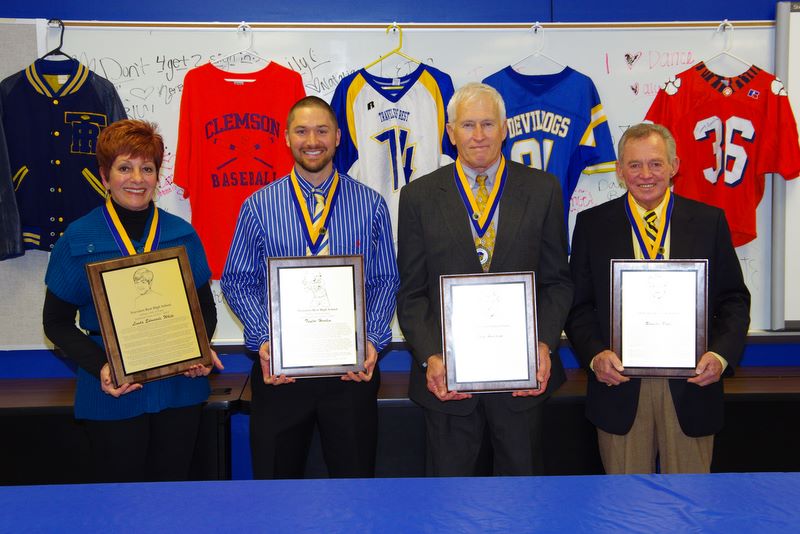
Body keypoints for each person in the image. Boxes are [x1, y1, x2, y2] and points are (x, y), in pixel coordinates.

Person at [396, 82, 573, 476]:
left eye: (488, 124)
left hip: (521, 383)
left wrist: (543, 344)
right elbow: (411, 293)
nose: (479, 135)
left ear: (505, 128)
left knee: (522, 498)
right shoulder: (418, 197)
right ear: (450, 131)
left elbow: (557, 282)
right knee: (452, 500)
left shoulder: (542, 189)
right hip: (448, 385)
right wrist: (431, 356)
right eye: (468, 125)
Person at [221, 96, 399, 479]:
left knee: (354, 485)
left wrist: (371, 341)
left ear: (337, 137)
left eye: (322, 130)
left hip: (350, 375)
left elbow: (384, 279)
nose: (312, 141)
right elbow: (237, 279)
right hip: (280, 374)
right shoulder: (258, 206)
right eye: (301, 131)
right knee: (276, 488)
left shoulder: (371, 204)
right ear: (287, 138)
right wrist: (267, 341)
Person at [42, 119, 223, 483]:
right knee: (121, 499)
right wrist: (101, 366)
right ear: (105, 176)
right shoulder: (78, 237)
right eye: (124, 168)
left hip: (179, 387)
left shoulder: (181, 233)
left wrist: (198, 349)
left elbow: (205, 307)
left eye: (147, 169)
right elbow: (56, 323)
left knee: (172, 494)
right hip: (113, 392)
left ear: (157, 176)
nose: (137, 179)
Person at [565, 123, 751, 474]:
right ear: (620, 170)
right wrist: (595, 355)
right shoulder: (592, 225)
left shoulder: (709, 221)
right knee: (625, 500)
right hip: (619, 387)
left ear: (674, 166)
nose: (645, 174)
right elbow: (578, 306)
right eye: (634, 165)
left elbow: (734, 300)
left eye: (655, 163)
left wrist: (720, 355)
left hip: (691, 387)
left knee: (690, 500)